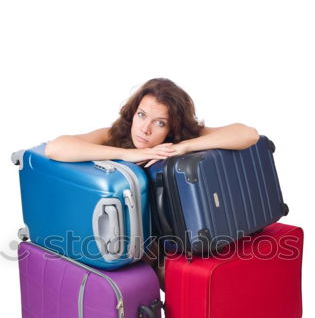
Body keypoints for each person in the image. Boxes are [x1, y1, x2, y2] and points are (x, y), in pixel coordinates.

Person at [45, 78, 259, 290]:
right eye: (142, 115)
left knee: (183, 280)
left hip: (179, 236)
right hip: (126, 239)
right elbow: (55, 148)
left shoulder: (180, 139)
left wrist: (183, 147)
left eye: (160, 123)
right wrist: (126, 154)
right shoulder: (115, 135)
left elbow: (248, 134)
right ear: (133, 112)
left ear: (172, 127)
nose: (145, 129)